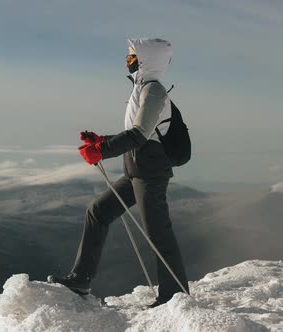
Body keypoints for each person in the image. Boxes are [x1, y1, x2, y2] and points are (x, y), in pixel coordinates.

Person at [48, 38, 190, 307]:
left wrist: (103, 150)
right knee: (97, 212)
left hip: (150, 175)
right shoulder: (142, 89)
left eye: (132, 56)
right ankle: (80, 279)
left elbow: (138, 135)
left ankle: (175, 296)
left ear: (146, 60)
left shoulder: (154, 92)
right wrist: (100, 140)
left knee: (158, 233)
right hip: (136, 171)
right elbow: (144, 134)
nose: (127, 61)